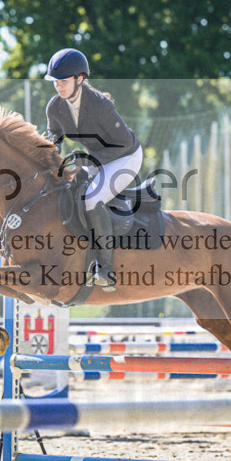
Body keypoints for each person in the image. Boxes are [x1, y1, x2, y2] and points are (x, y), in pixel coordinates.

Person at [43, 48, 142, 291]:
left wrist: (89, 161)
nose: (59, 86)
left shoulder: (99, 105)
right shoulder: (54, 107)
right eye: (56, 81)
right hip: (97, 159)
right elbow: (53, 141)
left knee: (91, 198)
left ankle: (106, 269)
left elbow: (125, 143)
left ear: (80, 79)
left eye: (64, 81)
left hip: (126, 157)